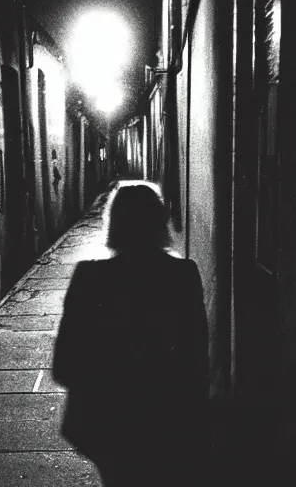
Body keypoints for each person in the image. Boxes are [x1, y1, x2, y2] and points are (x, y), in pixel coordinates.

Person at [52, 181, 209, 487]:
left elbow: (65, 365)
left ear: (114, 223)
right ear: (159, 222)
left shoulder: (89, 278)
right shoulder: (183, 275)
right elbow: (197, 357)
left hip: (108, 422)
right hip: (166, 419)